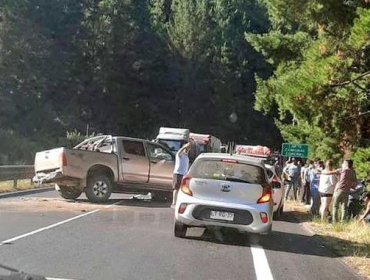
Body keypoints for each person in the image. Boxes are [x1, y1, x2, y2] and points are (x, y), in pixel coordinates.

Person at [172, 142, 191, 207]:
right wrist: (184, 146)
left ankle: (178, 202)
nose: (186, 150)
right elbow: (179, 151)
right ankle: (174, 203)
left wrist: (188, 147)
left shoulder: (186, 156)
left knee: (182, 189)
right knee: (176, 188)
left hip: (184, 174)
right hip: (178, 173)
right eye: (186, 149)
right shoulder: (179, 155)